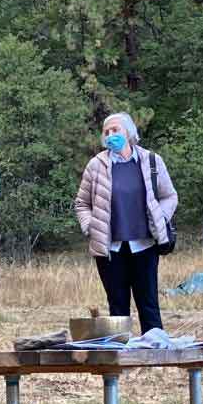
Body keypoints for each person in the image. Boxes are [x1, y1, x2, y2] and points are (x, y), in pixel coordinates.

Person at [74, 112, 177, 334]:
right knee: (118, 309)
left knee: (148, 306)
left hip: (145, 245)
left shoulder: (151, 161)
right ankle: (120, 362)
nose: (111, 135)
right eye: (107, 132)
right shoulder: (96, 165)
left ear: (129, 133)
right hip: (110, 249)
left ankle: (155, 360)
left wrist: (161, 217)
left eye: (116, 130)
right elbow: (81, 203)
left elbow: (170, 196)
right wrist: (90, 226)